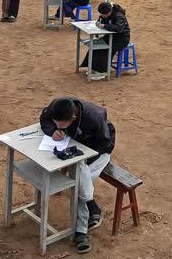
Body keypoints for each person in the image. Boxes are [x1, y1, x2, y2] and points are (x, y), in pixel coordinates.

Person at [39, 97, 115, 254]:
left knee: (80, 174)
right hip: (76, 146)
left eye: (62, 124)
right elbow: (44, 118)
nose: (58, 126)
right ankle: (91, 207)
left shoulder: (94, 118)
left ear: (73, 118)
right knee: (81, 174)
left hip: (99, 151)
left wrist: (81, 154)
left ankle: (81, 232)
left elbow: (104, 143)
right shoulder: (57, 107)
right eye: (56, 122)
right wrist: (53, 131)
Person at [81, 2, 130, 76]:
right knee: (94, 45)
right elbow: (101, 19)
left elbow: (119, 28)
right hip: (110, 37)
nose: (103, 15)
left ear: (110, 11)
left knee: (103, 49)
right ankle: (93, 68)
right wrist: (99, 22)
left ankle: (102, 72)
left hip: (121, 39)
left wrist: (104, 25)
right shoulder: (106, 13)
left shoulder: (119, 15)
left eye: (104, 14)